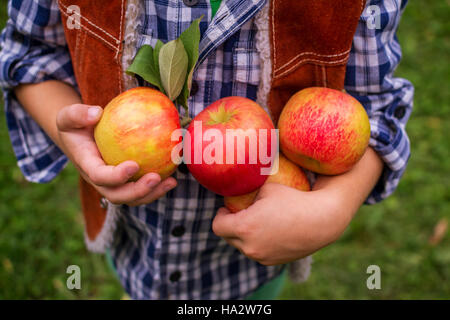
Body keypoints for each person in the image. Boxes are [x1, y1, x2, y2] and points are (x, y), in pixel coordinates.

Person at [0, 0, 413, 299]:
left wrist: (332, 209)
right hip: (136, 245)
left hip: (250, 270)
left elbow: (376, 109)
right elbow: (30, 51)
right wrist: (80, 145)